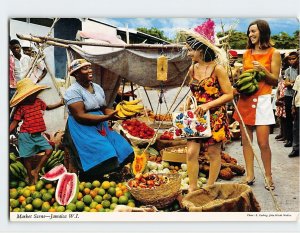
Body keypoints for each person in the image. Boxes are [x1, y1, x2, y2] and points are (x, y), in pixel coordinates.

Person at [181, 19, 233, 191]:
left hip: (215, 115)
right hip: (196, 116)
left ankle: (210, 187)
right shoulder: (192, 69)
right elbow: (194, 91)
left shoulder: (218, 69)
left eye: (190, 50)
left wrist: (208, 106)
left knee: (212, 153)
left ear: (201, 49)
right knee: (191, 153)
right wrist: (188, 101)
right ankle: (193, 188)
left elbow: (229, 94)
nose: (188, 53)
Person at [63, 59, 133, 181]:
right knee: (104, 152)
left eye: (90, 68)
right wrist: (106, 117)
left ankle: (111, 177)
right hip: (82, 127)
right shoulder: (72, 91)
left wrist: (119, 114)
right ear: (76, 74)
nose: (90, 71)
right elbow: (80, 116)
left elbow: (104, 108)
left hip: (100, 124)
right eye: (85, 69)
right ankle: (90, 180)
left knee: (124, 148)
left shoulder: (97, 87)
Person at [233, 19, 281, 191]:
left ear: (262, 31)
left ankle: (268, 176)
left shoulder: (274, 53)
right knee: (246, 142)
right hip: (245, 100)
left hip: (262, 101)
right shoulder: (246, 54)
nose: (250, 34)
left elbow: (275, 80)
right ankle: (250, 175)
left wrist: (263, 70)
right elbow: (244, 78)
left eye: (253, 31)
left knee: (263, 143)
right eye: (249, 32)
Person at [9, 78, 64, 184]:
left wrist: (60, 103)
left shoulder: (38, 102)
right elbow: (15, 123)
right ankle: (31, 178)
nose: (34, 95)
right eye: (31, 94)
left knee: (49, 150)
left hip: (38, 135)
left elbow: (48, 107)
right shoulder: (21, 107)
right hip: (26, 135)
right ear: (26, 96)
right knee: (27, 157)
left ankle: (36, 170)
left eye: (35, 93)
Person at [283, 51, 299, 147]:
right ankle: (289, 140)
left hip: (298, 97)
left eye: (294, 58)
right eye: (290, 59)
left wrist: (292, 83)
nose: (291, 61)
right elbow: (286, 84)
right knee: (289, 119)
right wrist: (294, 83)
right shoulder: (288, 70)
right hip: (289, 96)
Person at [288, 75, 300, 157]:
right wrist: (293, 105)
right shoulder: (299, 77)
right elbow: (295, 92)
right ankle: (296, 149)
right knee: (296, 128)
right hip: (298, 104)